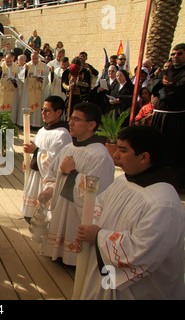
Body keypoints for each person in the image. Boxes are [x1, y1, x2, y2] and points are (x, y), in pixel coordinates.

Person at [75, 125, 185, 299]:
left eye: (123, 150)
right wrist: (92, 226)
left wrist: (98, 236)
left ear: (144, 157)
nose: (115, 155)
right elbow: (100, 202)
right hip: (104, 274)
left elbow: (141, 252)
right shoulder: (125, 181)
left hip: (139, 291)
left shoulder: (164, 204)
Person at [38, 102, 115, 266]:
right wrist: (49, 190)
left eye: (76, 120)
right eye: (71, 118)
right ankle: (58, 253)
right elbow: (52, 175)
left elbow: (97, 193)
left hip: (78, 213)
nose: (70, 123)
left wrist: (72, 173)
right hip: (62, 206)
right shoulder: (68, 148)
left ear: (91, 125)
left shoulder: (99, 155)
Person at [21, 95, 71, 223]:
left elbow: (55, 161)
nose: (43, 113)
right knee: (30, 214)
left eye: (47, 110)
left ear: (59, 112)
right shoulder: (42, 130)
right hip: (35, 175)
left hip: (47, 181)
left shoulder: (62, 134)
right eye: (43, 109)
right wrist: (28, 159)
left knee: (43, 218)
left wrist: (36, 151)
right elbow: (36, 149)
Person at [150, 43, 185, 189]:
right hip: (158, 117)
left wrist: (163, 88)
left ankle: (171, 182)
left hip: (174, 119)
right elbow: (152, 86)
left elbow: (177, 92)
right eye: (173, 54)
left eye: (179, 53)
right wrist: (166, 85)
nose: (175, 56)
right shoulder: (166, 70)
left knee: (171, 149)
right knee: (156, 147)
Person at [19, 51, 49, 127]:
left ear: (38, 58)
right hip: (28, 90)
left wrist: (42, 79)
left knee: (38, 106)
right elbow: (21, 76)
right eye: (33, 58)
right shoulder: (27, 65)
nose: (34, 60)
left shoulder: (43, 66)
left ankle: (36, 124)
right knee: (27, 105)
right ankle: (26, 124)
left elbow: (47, 77)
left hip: (38, 89)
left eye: (36, 58)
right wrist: (25, 71)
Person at [0, 53, 20, 121]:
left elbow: (21, 77)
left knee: (12, 106)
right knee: (2, 105)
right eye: (7, 61)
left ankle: (11, 121)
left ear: (12, 59)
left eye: (10, 61)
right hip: (3, 90)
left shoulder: (16, 67)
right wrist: (0, 72)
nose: (9, 63)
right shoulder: (1, 66)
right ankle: (2, 121)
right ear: (5, 60)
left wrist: (15, 81)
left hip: (12, 90)